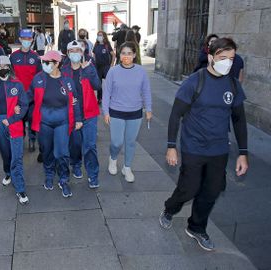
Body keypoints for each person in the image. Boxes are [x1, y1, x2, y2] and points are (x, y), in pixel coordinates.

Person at [159, 38, 248, 251]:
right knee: (189, 189)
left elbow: (239, 119)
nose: (228, 62)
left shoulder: (233, 85)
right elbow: (175, 115)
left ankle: (197, 227)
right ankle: (170, 208)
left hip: (219, 149)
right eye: (223, 58)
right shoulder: (194, 82)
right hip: (194, 147)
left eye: (231, 58)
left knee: (211, 191)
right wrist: (172, 145)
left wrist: (243, 152)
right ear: (211, 57)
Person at [28, 50, 83, 197]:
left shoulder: (67, 81)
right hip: (44, 122)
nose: (44, 65)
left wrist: (78, 119)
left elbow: (75, 101)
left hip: (62, 122)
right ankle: (49, 174)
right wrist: (15, 108)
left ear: (57, 63)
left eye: (47, 62)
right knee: (46, 150)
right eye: (43, 62)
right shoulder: (38, 79)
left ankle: (64, 179)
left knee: (62, 153)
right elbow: (27, 96)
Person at [102, 42, 152, 183]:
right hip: (116, 111)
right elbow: (107, 93)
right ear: (119, 54)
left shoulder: (141, 71)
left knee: (130, 142)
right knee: (116, 142)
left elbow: (146, 91)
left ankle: (127, 167)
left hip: (135, 112)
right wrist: (105, 112)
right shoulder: (113, 71)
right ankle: (113, 158)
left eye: (129, 53)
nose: (126, 56)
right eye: (123, 53)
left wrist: (149, 108)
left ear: (134, 55)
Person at [0, 56, 29, 204]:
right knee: (6, 153)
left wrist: (14, 117)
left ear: (10, 67)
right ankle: (8, 172)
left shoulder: (18, 84)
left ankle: (20, 188)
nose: (2, 68)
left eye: (5, 65)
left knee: (17, 156)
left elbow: (24, 104)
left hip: (14, 123)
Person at [62, 41, 101, 188]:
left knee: (90, 146)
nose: (75, 53)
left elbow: (97, 85)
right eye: (72, 50)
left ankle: (93, 175)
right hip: (72, 115)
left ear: (83, 52)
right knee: (74, 144)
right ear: (67, 53)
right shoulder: (64, 70)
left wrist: (89, 70)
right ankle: (76, 165)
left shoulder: (89, 67)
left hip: (89, 114)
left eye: (78, 50)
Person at [10, 29, 42, 152]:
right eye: (24, 39)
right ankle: (21, 137)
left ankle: (32, 140)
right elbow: (10, 76)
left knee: (32, 118)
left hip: (32, 96)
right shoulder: (13, 57)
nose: (26, 41)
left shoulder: (36, 57)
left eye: (29, 39)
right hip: (17, 96)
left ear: (32, 40)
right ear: (20, 39)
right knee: (20, 119)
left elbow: (39, 77)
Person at [93, 31, 115, 103]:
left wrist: (111, 65)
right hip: (98, 67)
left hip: (106, 66)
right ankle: (100, 98)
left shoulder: (107, 45)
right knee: (99, 84)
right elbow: (94, 55)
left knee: (109, 82)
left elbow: (113, 55)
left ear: (104, 36)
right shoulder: (96, 45)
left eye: (100, 35)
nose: (99, 36)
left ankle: (111, 97)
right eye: (98, 35)